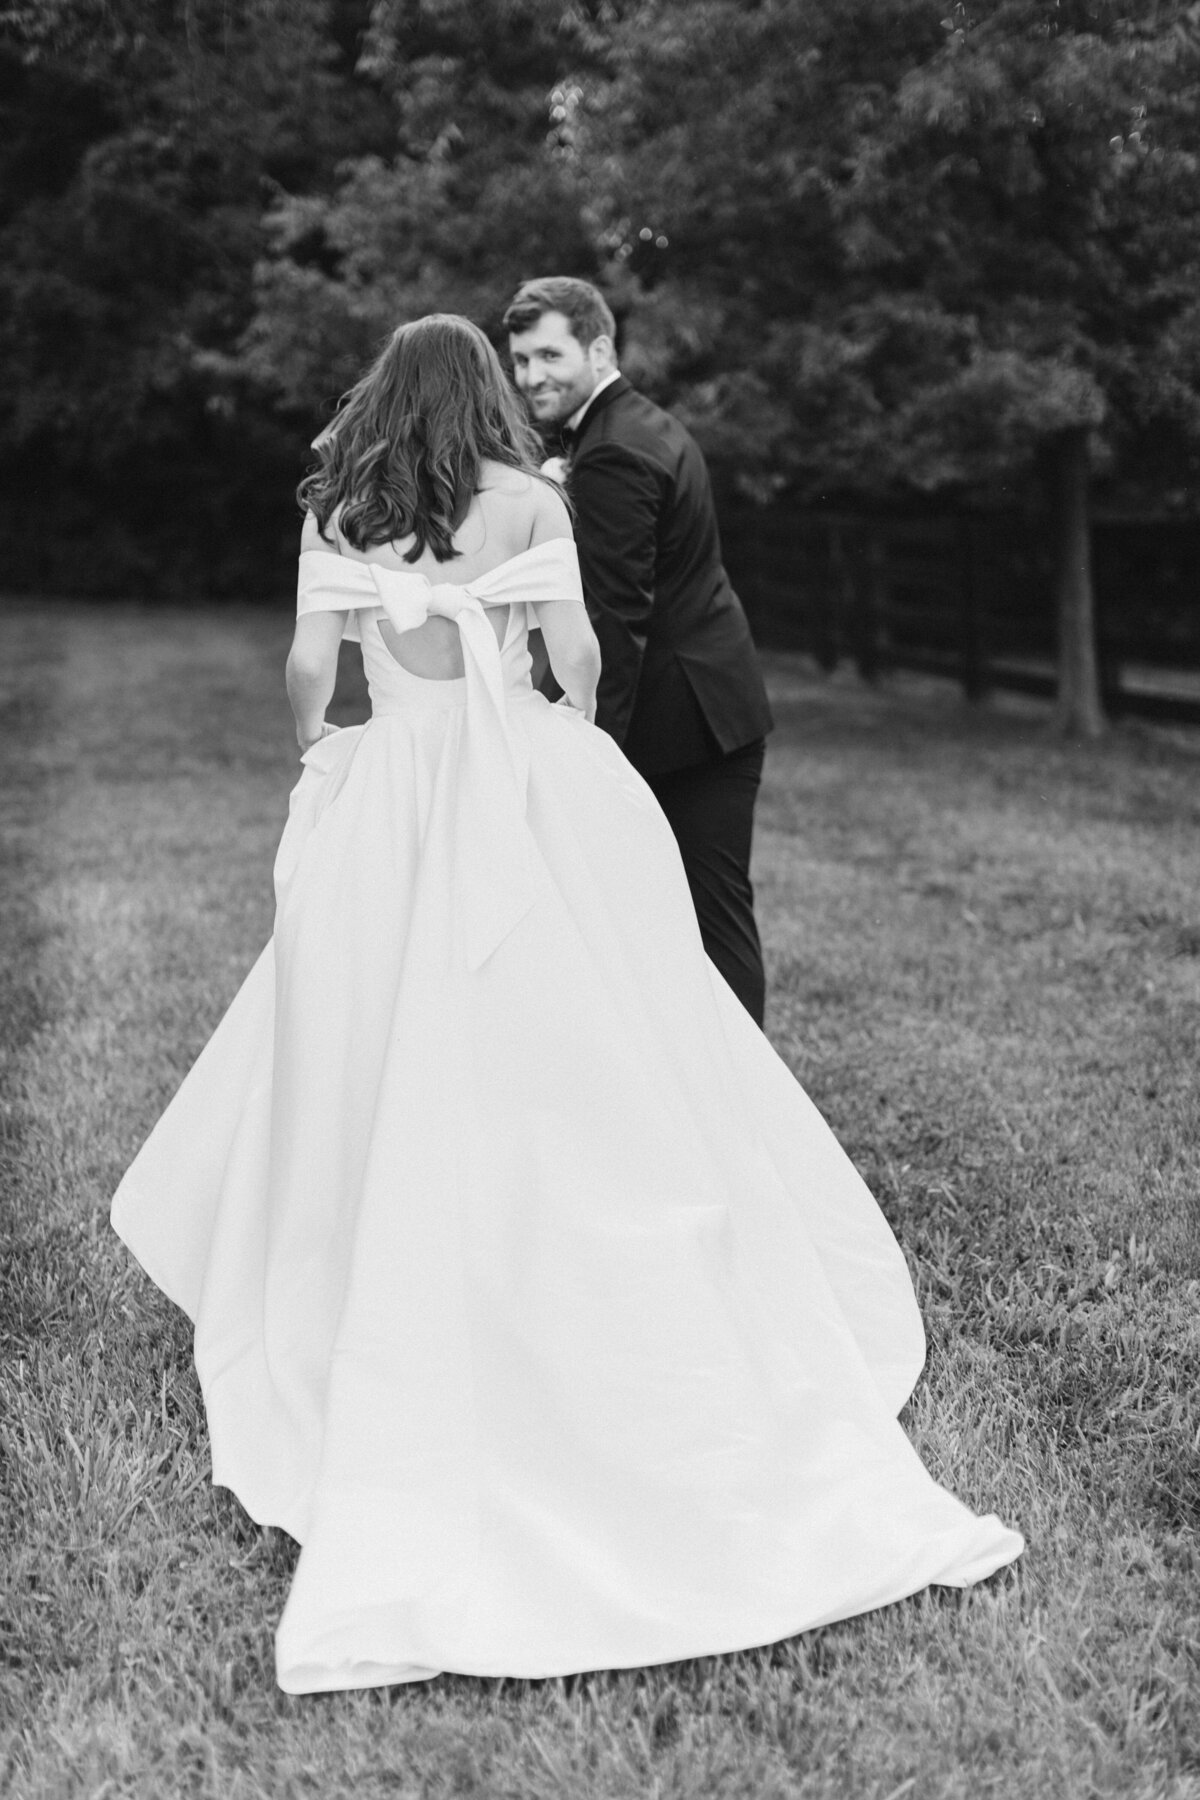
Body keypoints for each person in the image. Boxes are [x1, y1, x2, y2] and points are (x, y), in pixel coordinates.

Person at [110, 314, 1022, 1697]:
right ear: (483, 394)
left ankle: (381, 1247)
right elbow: (576, 657)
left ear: (383, 399)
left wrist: (326, 746)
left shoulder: (344, 504)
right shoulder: (532, 498)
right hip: (514, 785)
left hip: (396, 789)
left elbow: (313, 668)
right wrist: (559, 731)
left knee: (373, 1025)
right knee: (573, 1022)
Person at [504, 277, 774, 1025]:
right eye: (521, 360)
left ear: (598, 347)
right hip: (712, 707)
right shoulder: (633, 426)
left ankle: (736, 1111)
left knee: (710, 927)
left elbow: (614, 623)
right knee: (698, 918)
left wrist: (591, 757)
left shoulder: (615, 453)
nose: (532, 377)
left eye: (549, 355)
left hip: (687, 727)